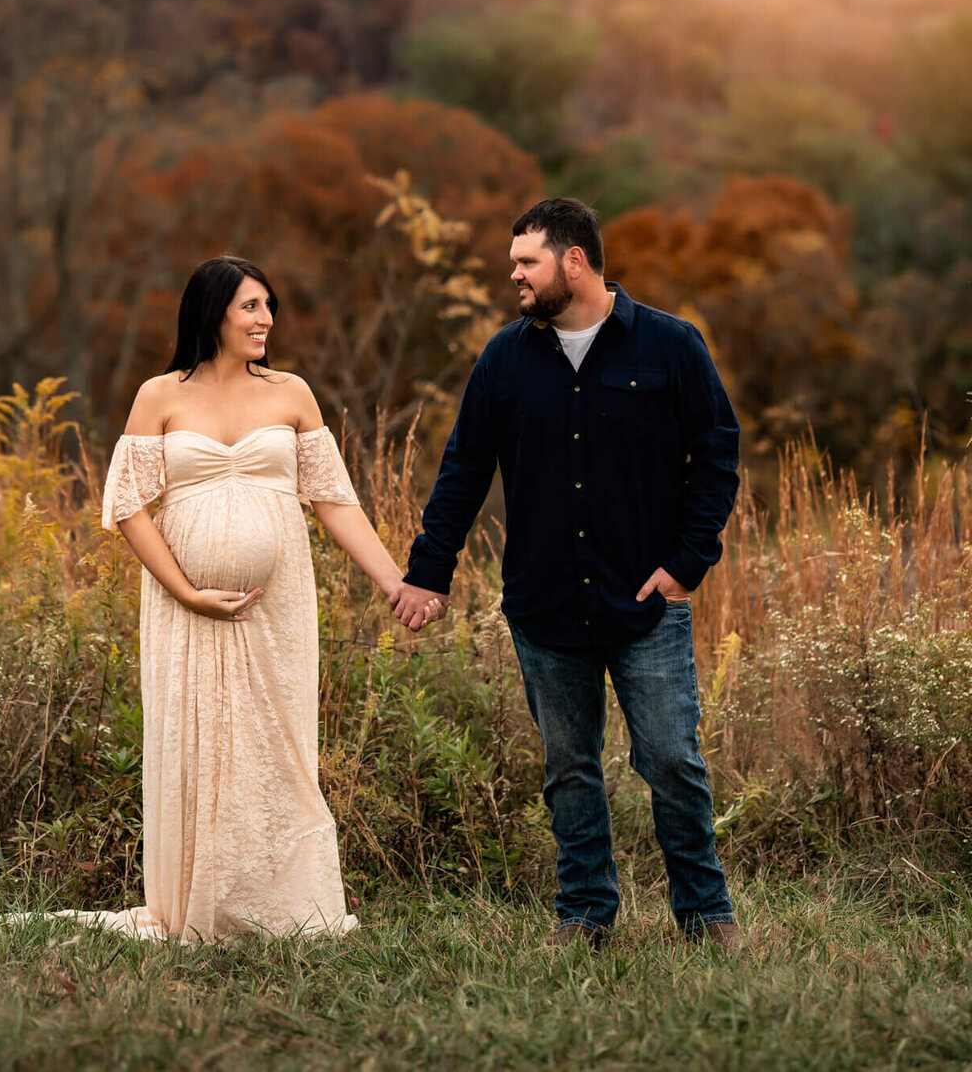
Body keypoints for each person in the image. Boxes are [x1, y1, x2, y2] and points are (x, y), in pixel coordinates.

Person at [389, 199, 742, 953]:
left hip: (645, 601)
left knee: (673, 760)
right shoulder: (504, 360)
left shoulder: (672, 346)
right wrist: (428, 573)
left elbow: (716, 454)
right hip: (545, 604)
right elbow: (462, 472)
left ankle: (706, 915)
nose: (512, 274)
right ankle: (585, 916)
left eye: (526, 262)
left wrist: (687, 563)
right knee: (568, 769)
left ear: (573, 260)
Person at [98, 255, 406, 943]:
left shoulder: (292, 393)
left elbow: (334, 500)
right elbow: (127, 506)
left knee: (275, 746)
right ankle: (198, 905)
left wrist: (393, 580)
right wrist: (186, 590)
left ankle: (281, 902)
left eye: (268, 305)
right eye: (250, 306)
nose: (266, 318)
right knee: (199, 742)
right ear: (213, 313)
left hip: (278, 605)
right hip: (186, 607)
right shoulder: (160, 395)